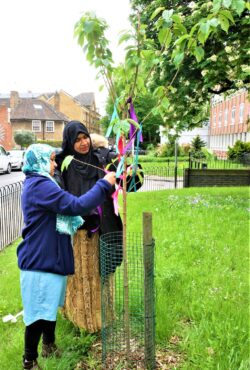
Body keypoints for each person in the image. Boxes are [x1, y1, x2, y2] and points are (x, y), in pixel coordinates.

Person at [17, 144, 116, 370]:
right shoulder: (40, 185)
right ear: (39, 162)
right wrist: (104, 185)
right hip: (39, 260)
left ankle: (49, 345)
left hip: (49, 256)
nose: (54, 164)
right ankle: (29, 360)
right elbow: (75, 205)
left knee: (48, 306)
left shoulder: (42, 183)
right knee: (37, 315)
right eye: (51, 160)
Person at [56, 121, 123, 333]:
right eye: (77, 140)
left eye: (85, 137)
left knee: (103, 273)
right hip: (78, 232)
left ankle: (105, 319)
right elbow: (58, 195)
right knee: (82, 276)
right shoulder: (62, 164)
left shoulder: (101, 159)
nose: (83, 143)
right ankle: (82, 321)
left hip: (104, 227)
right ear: (69, 142)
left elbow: (127, 181)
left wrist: (130, 170)